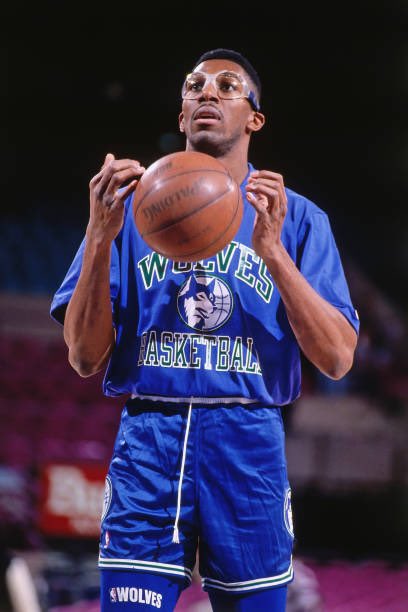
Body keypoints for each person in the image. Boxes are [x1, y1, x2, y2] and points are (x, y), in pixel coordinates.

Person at [50, 48, 359, 611]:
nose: (208, 93)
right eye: (194, 86)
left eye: (227, 86)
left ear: (255, 118)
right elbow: (84, 357)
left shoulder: (299, 219)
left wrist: (273, 254)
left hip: (248, 440)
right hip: (150, 437)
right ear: (182, 114)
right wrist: (99, 237)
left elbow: (338, 358)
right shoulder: (125, 212)